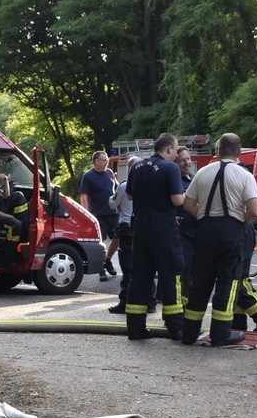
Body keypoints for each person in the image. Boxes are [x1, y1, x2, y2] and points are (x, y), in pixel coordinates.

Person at [180, 133, 257, 347]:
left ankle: (189, 333)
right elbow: (254, 210)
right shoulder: (244, 175)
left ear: (217, 151)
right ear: (239, 153)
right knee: (228, 282)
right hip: (231, 233)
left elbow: (187, 203)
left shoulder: (203, 172)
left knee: (200, 283)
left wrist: (203, 216)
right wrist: (239, 221)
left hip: (205, 232)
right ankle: (221, 334)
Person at [124, 133, 185, 341]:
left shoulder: (137, 167)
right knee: (171, 275)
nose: (177, 154)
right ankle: (176, 328)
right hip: (164, 228)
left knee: (139, 277)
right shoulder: (171, 168)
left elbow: (130, 195)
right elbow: (177, 200)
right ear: (168, 149)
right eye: (176, 150)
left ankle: (135, 328)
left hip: (140, 227)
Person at [107, 157, 157, 314]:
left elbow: (112, 204)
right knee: (147, 266)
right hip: (146, 228)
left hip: (127, 230)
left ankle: (125, 301)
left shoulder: (124, 186)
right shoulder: (152, 184)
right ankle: (150, 301)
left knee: (128, 268)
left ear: (129, 169)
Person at [79, 151, 119, 282]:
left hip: (113, 213)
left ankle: (107, 261)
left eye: (107, 159)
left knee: (118, 239)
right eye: (104, 159)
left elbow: (117, 189)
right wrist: (86, 215)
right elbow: (83, 196)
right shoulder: (88, 176)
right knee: (100, 244)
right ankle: (101, 269)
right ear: (96, 161)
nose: (107, 161)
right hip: (98, 215)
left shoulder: (109, 173)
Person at [174, 145, 198, 302]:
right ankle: (180, 307)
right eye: (182, 160)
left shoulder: (195, 178)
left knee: (196, 271)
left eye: (188, 159)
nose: (187, 162)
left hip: (197, 232)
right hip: (181, 233)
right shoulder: (174, 180)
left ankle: (190, 303)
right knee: (184, 270)